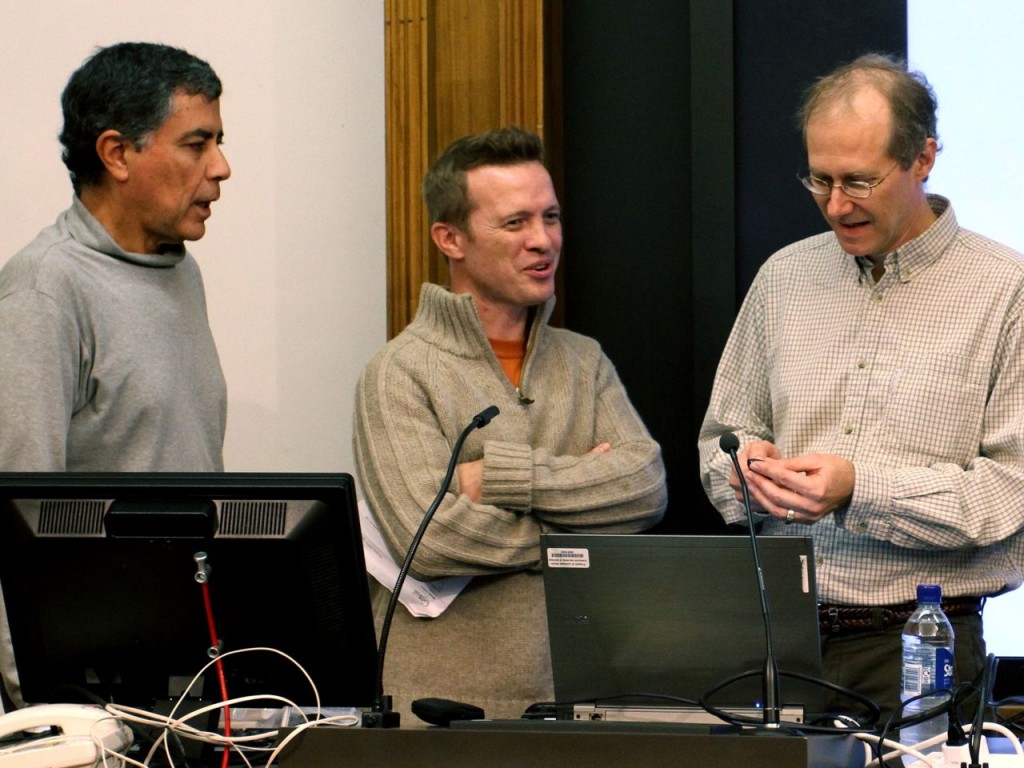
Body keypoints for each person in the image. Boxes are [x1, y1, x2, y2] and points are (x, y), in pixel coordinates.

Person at [698, 53, 1024, 723]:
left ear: (923, 157)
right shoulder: (784, 278)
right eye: (819, 179)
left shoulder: (1005, 291)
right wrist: (744, 469)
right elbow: (720, 437)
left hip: (921, 643)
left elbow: (1008, 493)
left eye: (858, 181)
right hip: (774, 640)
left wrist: (858, 488)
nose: (835, 205)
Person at [354, 126, 667, 724]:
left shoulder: (583, 359)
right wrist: (578, 530)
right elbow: (430, 539)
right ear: (451, 239)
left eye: (550, 217)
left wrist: (495, 477)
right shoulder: (397, 372)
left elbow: (645, 488)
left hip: (578, 697)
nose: (543, 240)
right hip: (436, 708)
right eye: (515, 223)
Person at [0, 41, 231, 706]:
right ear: (117, 153)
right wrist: (46, 708)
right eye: (196, 143)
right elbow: (15, 521)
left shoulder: (181, 271)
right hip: (87, 695)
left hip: (186, 675)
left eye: (218, 141)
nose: (221, 168)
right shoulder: (45, 288)